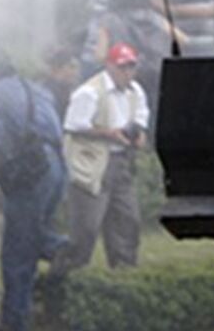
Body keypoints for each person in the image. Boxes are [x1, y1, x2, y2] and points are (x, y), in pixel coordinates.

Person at [0, 53, 65, 331]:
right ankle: (63, 263)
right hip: (57, 168)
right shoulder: (37, 88)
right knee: (34, 235)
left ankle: (14, 322)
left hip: (30, 172)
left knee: (18, 249)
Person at [55, 43, 149, 275]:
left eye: (131, 67)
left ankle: (123, 274)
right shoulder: (89, 92)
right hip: (92, 165)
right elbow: (73, 126)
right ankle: (66, 277)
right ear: (109, 66)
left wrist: (138, 137)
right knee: (86, 229)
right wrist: (109, 133)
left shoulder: (136, 91)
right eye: (122, 67)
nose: (127, 72)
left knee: (127, 222)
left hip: (121, 163)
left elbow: (140, 120)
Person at [42, 47, 81, 120]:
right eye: (71, 67)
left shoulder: (70, 90)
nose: (76, 73)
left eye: (77, 68)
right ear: (57, 68)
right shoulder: (47, 92)